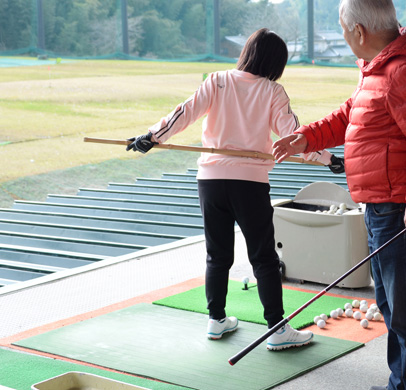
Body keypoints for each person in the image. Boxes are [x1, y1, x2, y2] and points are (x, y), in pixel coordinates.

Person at [273, 0, 406, 390]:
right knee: (392, 308)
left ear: (358, 29)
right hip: (382, 208)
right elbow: (349, 116)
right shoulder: (378, 68)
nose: (343, 36)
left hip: (400, 209)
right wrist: (306, 138)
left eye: (342, 29)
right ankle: (402, 383)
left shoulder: (404, 72)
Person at [126, 28, 344, 350]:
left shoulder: (217, 80)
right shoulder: (273, 91)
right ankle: (278, 330)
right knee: (264, 258)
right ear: (275, 62)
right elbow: (294, 138)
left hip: (210, 182)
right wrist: (328, 159)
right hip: (249, 184)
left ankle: (216, 321)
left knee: (218, 255)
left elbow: (183, 113)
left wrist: (152, 136)